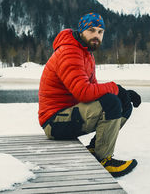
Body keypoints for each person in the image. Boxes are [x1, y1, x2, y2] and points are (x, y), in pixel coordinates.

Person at [38, 12, 141, 177]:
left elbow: (92, 89)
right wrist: (117, 89)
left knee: (122, 103)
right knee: (111, 102)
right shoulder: (69, 52)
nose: (96, 36)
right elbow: (84, 92)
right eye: (92, 30)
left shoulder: (85, 52)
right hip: (54, 122)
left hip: (69, 115)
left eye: (100, 32)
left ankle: (96, 148)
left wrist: (123, 93)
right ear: (81, 31)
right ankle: (104, 159)